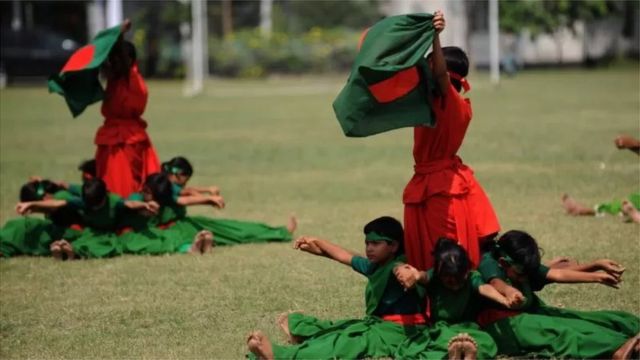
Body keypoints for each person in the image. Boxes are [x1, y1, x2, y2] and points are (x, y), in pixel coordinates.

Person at [247, 216, 428, 359]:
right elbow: (345, 256)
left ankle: (279, 356)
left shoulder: (399, 265)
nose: (369, 249)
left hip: (400, 333)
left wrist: (411, 274)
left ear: (394, 245)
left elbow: (402, 270)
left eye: (375, 243)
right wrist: (318, 243)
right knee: (342, 328)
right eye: (367, 243)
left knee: (344, 342)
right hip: (380, 326)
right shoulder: (377, 265)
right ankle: (300, 332)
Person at [403, 10, 499, 271]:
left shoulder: (453, 104)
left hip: (440, 186)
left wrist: (435, 36)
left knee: (440, 249)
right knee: (427, 249)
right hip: (432, 180)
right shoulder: (432, 100)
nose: (426, 66)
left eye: (430, 62)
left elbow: (440, 77)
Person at [477, 230, 639, 359]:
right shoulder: (489, 262)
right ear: (504, 263)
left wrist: (596, 272)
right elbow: (496, 283)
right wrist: (509, 291)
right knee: (563, 335)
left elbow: (558, 274)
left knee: (583, 320)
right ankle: (618, 348)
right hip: (506, 324)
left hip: (531, 313)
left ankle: (633, 329)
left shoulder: (521, 266)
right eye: (522, 274)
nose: (527, 277)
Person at [392, 238, 511, 359]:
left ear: (466, 271)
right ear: (440, 273)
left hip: (470, 329)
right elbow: (424, 276)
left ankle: (468, 354)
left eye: (458, 278)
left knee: (486, 341)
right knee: (439, 343)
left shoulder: (472, 277)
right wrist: (416, 276)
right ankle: (454, 354)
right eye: (448, 279)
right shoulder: (434, 277)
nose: (454, 283)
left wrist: (503, 299)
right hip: (442, 329)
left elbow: (484, 288)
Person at [160, 157, 296, 249]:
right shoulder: (163, 186)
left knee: (233, 227)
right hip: (176, 229)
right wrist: (209, 199)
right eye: (186, 179)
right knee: (232, 233)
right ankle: (280, 233)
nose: (186, 183)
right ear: (178, 174)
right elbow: (182, 199)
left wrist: (206, 192)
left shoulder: (168, 183)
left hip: (184, 223)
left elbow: (186, 191)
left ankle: (280, 232)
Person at [94, 20, 160, 198]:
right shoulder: (121, 78)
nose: (112, 62)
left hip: (123, 139)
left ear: (129, 60)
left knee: (122, 184)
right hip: (121, 135)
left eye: (116, 59)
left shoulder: (128, 77)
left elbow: (120, 56)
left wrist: (119, 34)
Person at [15, 178, 157, 259]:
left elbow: (130, 204)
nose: (93, 208)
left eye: (97, 205)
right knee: (84, 238)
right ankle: (67, 250)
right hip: (89, 230)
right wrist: (32, 203)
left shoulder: (113, 201)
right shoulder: (84, 199)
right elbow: (59, 201)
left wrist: (145, 204)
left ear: (104, 196)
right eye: (90, 205)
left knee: (102, 244)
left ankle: (71, 252)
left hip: (106, 232)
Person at [0, 180, 83, 259]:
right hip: (66, 235)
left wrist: (33, 204)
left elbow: (56, 206)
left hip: (76, 235)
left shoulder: (61, 195)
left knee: (23, 226)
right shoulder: (58, 196)